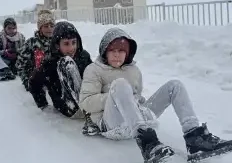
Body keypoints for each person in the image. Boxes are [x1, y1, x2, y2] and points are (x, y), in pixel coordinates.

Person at [79, 28, 232, 163]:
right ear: (104, 51)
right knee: (120, 84)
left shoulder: (133, 70)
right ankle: (149, 145)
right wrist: (117, 97)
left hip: (135, 119)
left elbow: (136, 97)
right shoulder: (94, 70)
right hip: (111, 124)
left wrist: (134, 101)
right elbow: (86, 102)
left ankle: (195, 138)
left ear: (128, 53)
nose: (117, 55)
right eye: (112, 50)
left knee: (175, 85)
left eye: (121, 51)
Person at [27, 21, 96, 134]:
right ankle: (85, 109)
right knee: (66, 62)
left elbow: (93, 75)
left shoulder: (83, 56)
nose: (71, 48)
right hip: (69, 107)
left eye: (74, 42)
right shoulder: (49, 63)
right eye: (66, 44)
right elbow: (33, 82)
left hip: (87, 98)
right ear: (57, 45)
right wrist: (43, 104)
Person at [17, 10, 54, 90]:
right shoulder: (31, 43)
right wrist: (27, 80)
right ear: (40, 28)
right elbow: (21, 64)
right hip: (36, 78)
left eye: (52, 26)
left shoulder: (58, 42)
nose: (49, 28)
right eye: (46, 26)